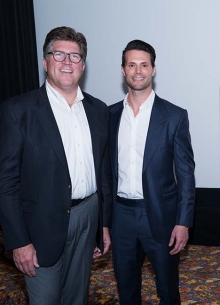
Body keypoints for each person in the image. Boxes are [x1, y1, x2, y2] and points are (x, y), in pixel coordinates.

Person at [0, 26, 111, 305]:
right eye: (58, 54)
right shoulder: (18, 111)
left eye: (75, 57)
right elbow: (6, 182)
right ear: (45, 61)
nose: (66, 62)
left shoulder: (99, 110)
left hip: (88, 216)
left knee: (77, 298)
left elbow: (104, 172)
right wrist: (18, 241)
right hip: (40, 227)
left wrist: (103, 225)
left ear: (83, 66)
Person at [106, 40, 195, 305]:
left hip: (161, 216)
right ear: (123, 70)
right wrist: (104, 223)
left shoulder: (175, 116)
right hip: (121, 215)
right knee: (126, 290)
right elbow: (106, 175)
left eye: (144, 65)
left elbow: (186, 173)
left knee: (168, 290)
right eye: (131, 64)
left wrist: (183, 221)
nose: (138, 71)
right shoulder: (109, 116)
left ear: (153, 69)